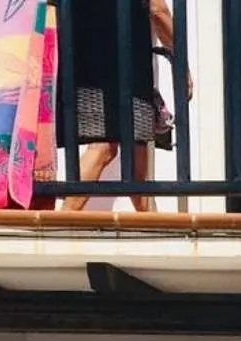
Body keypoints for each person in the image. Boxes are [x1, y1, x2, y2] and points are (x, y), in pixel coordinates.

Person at [64, 0, 192, 211]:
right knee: (105, 147)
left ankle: (156, 230)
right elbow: (157, 9)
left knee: (136, 163)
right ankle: (62, 217)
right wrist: (180, 61)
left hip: (91, 59)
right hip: (124, 64)